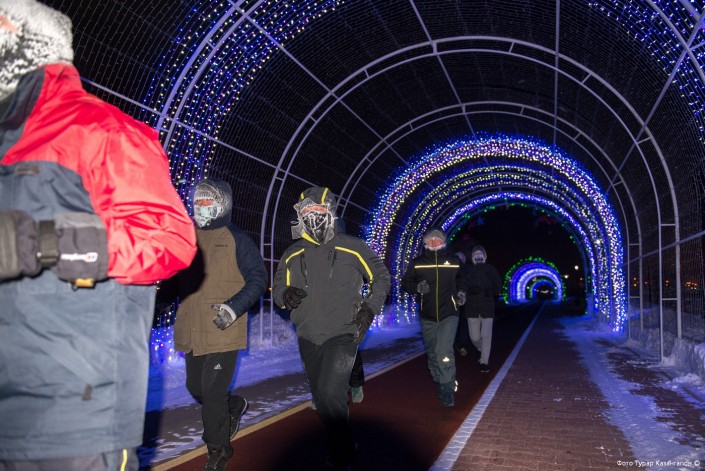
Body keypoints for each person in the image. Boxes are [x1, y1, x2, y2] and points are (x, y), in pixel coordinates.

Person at [0, 1, 198, 469]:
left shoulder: (102, 130)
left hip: (71, 409)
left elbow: (167, 238)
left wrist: (42, 242)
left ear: (25, 41)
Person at [272, 186, 390, 470]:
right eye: (307, 212)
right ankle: (344, 441)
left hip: (344, 332)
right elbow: (277, 288)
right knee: (324, 400)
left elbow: (381, 277)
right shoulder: (292, 253)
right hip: (308, 335)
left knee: (329, 392)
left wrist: (368, 309)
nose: (312, 216)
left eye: (318, 210)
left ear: (330, 212)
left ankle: (343, 456)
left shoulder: (352, 247)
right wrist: (285, 295)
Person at [172, 178, 268, 471]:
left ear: (222, 204)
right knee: (195, 388)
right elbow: (176, 279)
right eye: (197, 201)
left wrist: (234, 307)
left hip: (223, 329)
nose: (201, 206)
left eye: (207, 201)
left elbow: (258, 279)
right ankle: (233, 406)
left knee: (212, 394)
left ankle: (218, 450)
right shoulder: (186, 237)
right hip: (193, 330)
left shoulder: (237, 238)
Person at [401, 227, 467, 407]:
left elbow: (462, 279)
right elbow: (406, 283)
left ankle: (447, 387)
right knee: (432, 353)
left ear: (443, 242)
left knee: (443, 351)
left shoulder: (453, 262)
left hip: (449, 313)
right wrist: (417, 288)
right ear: (425, 243)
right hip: (427, 315)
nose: (434, 242)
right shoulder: (418, 263)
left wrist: (461, 292)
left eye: (437, 239)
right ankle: (440, 380)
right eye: (430, 240)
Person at [465, 245, 502, 373]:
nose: (478, 256)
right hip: (472, 308)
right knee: (474, 338)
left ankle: (484, 362)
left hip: (487, 308)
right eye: (476, 254)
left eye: (480, 254)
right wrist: (469, 291)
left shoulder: (491, 269)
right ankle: (480, 349)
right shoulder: (468, 270)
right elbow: (463, 285)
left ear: (484, 256)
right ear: (473, 257)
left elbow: (498, 286)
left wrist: (492, 291)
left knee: (486, 336)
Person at [453, 251, 473, 357]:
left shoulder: (468, 271)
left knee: (463, 322)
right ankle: (458, 344)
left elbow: (470, 284)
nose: (460, 260)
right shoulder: (451, 271)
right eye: (458, 258)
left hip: (465, 301)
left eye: (462, 258)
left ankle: (462, 345)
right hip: (452, 301)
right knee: (455, 323)